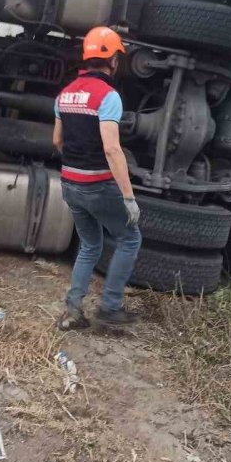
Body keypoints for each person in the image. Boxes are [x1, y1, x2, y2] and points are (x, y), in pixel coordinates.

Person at [53, 26, 141, 330]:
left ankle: (74, 310)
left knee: (90, 244)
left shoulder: (65, 93)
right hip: (96, 185)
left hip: (69, 183)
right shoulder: (108, 96)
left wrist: (76, 163)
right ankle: (110, 306)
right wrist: (128, 197)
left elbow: (57, 140)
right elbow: (112, 149)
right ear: (113, 59)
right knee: (130, 238)